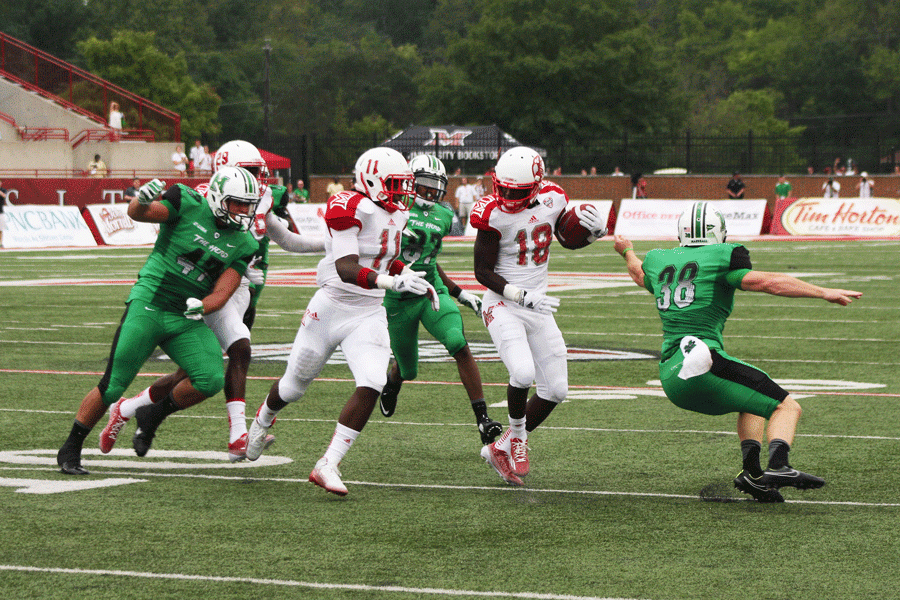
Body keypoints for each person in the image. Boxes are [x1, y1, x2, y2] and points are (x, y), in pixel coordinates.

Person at [612, 202, 862, 502]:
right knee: (787, 407)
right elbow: (769, 282)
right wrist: (823, 292)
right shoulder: (723, 255)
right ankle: (779, 465)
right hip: (702, 360)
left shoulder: (658, 259)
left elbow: (640, 275)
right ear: (719, 232)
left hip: (671, 376)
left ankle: (753, 475)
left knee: (752, 402)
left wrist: (627, 250)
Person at [100, 140, 325, 461]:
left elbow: (286, 239)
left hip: (243, 292)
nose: (257, 179)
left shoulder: (262, 197)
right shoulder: (204, 199)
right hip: (210, 290)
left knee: (191, 375)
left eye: (258, 172)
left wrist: (333, 246)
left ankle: (138, 410)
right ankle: (237, 436)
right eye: (248, 171)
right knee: (239, 350)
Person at [244, 146, 438, 496]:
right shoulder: (349, 206)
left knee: (373, 381)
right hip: (331, 306)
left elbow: (382, 258)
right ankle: (262, 419)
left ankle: (328, 463)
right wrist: (394, 281)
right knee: (293, 387)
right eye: (394, 183)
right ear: (371, 180)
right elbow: (347, 267)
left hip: (369, 312)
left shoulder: (397, 213)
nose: (403, 192)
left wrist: (407, 274)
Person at [56, 167, 263, 475]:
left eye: (249, 205)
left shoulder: (245, 243)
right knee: (113, 385)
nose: (245, 211)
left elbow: (223, 291)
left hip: (184, 315)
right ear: (219, 197)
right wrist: (141, 200)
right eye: (238, 203)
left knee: (210, 379)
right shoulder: (188, 202)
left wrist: (201, 306)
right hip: (150, 304)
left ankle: (152, 413)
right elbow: (140, 213)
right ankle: (71, 447)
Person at [471, 146, 607, 486]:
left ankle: (498, 448)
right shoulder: (491, 213)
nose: (506, 197)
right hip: (503, 303)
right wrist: (520, 294)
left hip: (537, 306)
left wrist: (593, 234)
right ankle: (518, 439)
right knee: (522, 371)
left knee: (556, 390)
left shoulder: (553, 198)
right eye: (502, 188)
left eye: (516, 192)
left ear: (536, 186)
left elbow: (565, 238)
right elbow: (482, 272)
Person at [378, 154, 502, 445]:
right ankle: (393, 380)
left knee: (458, 342)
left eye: (436, 186)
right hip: (398, 299)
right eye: (423, 185)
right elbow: (377, 256)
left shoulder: (444, 215)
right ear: (410, 183)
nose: (430, 192)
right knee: (408, 370)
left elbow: (429, 262)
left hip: (432, 292)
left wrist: (459, 293)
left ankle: (483, 419)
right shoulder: (393, 209)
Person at [0, 180, 8, 245]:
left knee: (1, 229)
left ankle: (1, 243)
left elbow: (4, 196)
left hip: (0, 212)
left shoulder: (3, 190)